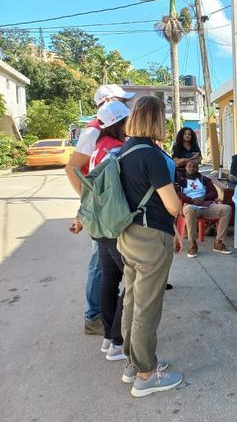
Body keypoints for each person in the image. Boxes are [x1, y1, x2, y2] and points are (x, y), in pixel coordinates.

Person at [117, 96, 184, 397]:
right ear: (155, 120)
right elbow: (171, 205)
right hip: (151, 238)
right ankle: (146, 373)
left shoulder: (123, 152)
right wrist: (180, 206)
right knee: (147, 307)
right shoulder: (152, 156)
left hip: (127, 234)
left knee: (132, 300)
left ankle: (132, 363)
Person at [65, 84, 135, 335]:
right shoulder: (95, 132)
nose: (126, 105)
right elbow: (73, 168)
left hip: (99, 205)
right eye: (121, 101)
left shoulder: (106, 135)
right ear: (108, 102)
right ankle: (96, 317)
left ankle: (106, 320)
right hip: (102, 209)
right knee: (104, 266)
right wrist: (87, 208)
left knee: (106, 268)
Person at [89, 101, 131, 361]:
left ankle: (108, 337)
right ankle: (117, 340)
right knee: (134, 280)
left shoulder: (98, 148)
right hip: (112, 223)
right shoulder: (117, 151)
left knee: (109, 279)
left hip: (98, 223)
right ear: (120, 123)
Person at [177, 160, 232, 257]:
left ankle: (218, 243)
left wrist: (203, 198)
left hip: (205, 205)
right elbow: (178, 194)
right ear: (185, 168)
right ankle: (193, 244)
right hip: (190, 206)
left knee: (226, 209)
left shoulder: (204, 179)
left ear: (198, 168)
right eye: (189, 166)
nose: (192, 168)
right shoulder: (181, 180)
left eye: (194, 166)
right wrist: (192, 201)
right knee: (190, 209)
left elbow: (214, 193)